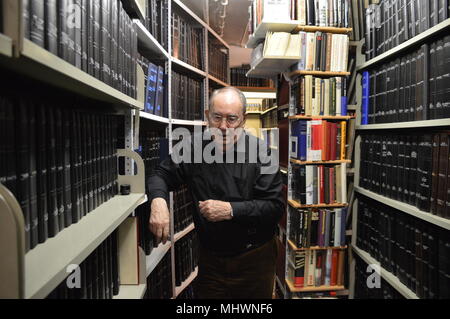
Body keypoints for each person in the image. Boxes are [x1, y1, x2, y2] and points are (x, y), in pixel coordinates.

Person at [147, 87, 285, 299]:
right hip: (211, 259)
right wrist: (158, 201)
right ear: (206, 116)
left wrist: (231, 210)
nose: (223, 127)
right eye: (216, 117)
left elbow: (274, 207)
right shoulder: (192, 147)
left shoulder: (261, 152)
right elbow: (160, 174)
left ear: (243, 120)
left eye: (231, 119)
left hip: (255, 259)